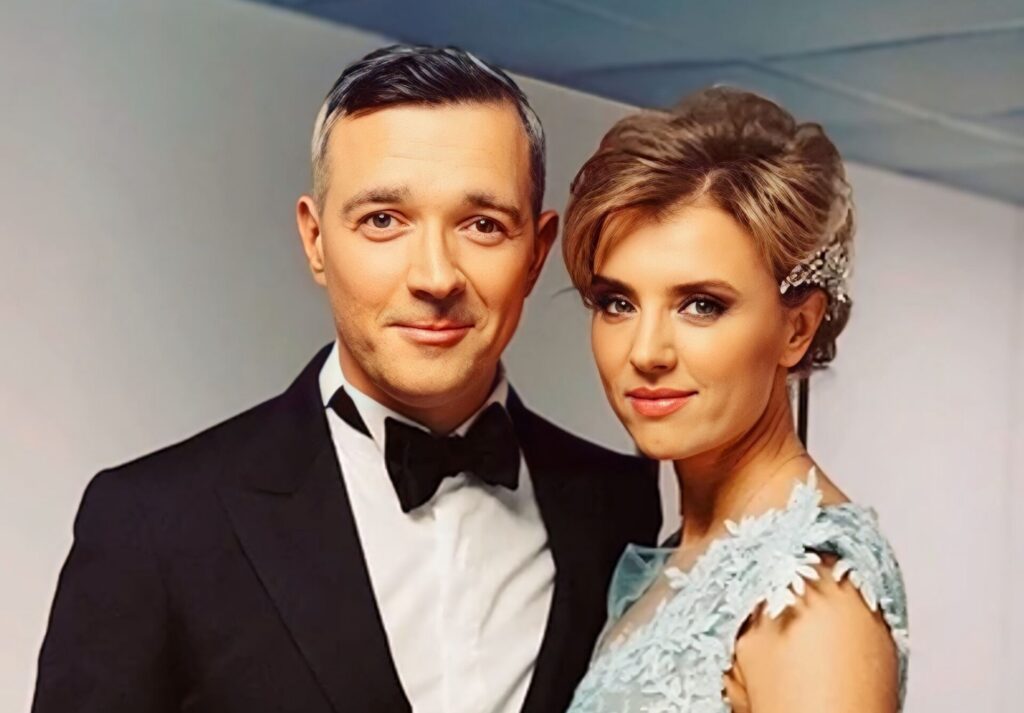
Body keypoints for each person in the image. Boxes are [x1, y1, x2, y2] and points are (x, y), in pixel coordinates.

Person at [31, 45, 661, 713]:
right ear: (315, 240)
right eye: (383, 220)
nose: (435, 277)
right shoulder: (153, 522)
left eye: (482, 225)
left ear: (536, 253)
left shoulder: (617, 504)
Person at [561, 87, 909, 713]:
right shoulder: (684, 551)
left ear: (797, 328)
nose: (646, 351)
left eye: (701, 305)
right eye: (618, 303)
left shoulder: (809, 594)